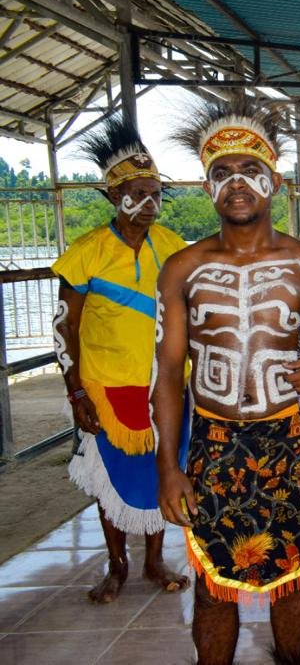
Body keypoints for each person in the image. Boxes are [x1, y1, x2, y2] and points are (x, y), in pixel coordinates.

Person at [153, 100, 300, 665]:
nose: (237, 184)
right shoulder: (182, 268)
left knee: (292, 582)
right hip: (213, 444)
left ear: (274, 181)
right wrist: (168, 467)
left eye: (249, 171)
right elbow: (165, 374)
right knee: (212, 590)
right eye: (221, 173)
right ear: (205, 185)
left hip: (292, 440)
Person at [52, 114, 189, 604]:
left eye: (156, 193)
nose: (149, 202)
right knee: (105, 478)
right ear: (114, 197)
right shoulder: (87, 253)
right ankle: (117, 564)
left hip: (166, 389)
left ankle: (154, 560)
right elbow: (64, 325)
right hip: (104, 391)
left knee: (164, 471)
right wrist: (76, 391)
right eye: (137, 192)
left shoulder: (173, 247)